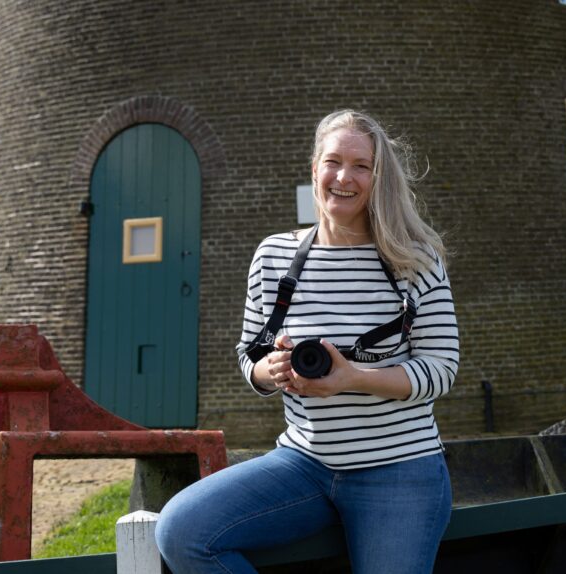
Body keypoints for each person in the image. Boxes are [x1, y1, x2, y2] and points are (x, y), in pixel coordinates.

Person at [156, 109, 459, 574]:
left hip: (400, 470)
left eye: (361, 165)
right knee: (182, 531)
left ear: (379, 179)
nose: (344, 177)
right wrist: (270, 371)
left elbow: (440, 370)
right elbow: (249, 355)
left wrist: (351, 377)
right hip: (304, 464)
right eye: (333, 161)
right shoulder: (273, 256)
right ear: (314, 169)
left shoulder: (415, 261)